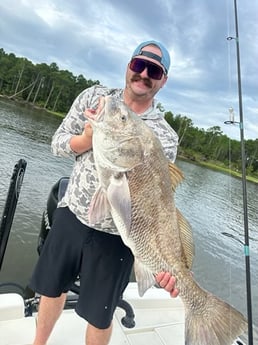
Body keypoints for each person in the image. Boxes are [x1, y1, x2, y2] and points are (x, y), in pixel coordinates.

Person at [29, 40, 179, 345]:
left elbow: (157, 204)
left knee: (101, 314)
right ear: (128, 66)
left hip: (118, 236)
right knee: (51, 288)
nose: (144, 73)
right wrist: (85, 140)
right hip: (72, 213)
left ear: (163, 80)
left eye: (154, 70)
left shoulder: (164, 135)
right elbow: (58, 143)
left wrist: (165, 262)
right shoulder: (96, 99)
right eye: (139, 65)